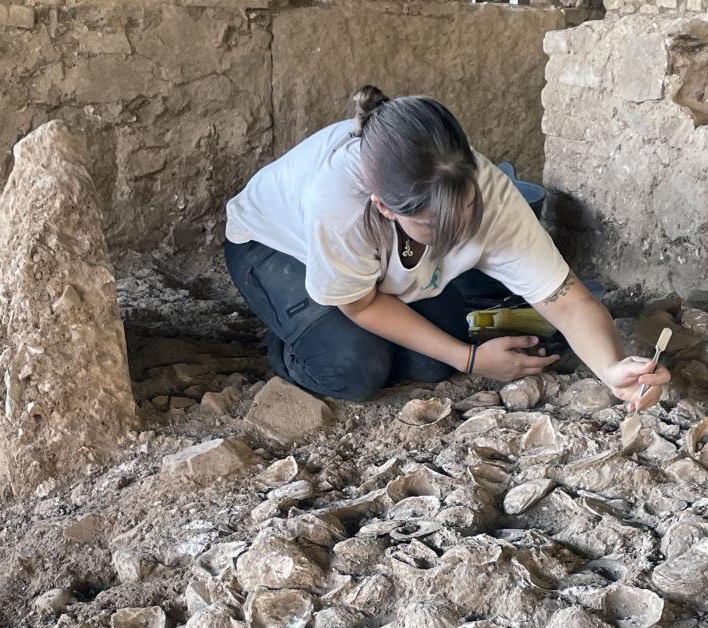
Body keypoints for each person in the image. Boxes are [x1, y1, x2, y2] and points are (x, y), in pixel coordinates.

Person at [224, 86, 670, 410]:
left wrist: (612, 370)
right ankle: (293, 336)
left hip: (381, 270)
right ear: (385, 207)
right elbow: (360, 305)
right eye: (433, 225)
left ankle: (330, 324)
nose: (459, 233)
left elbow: (567, 300)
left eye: (469, 207)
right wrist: (472, 359)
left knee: (434, 358)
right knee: (353, 368)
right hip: (274, 248)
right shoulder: (337, 204)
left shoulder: (484, 188)